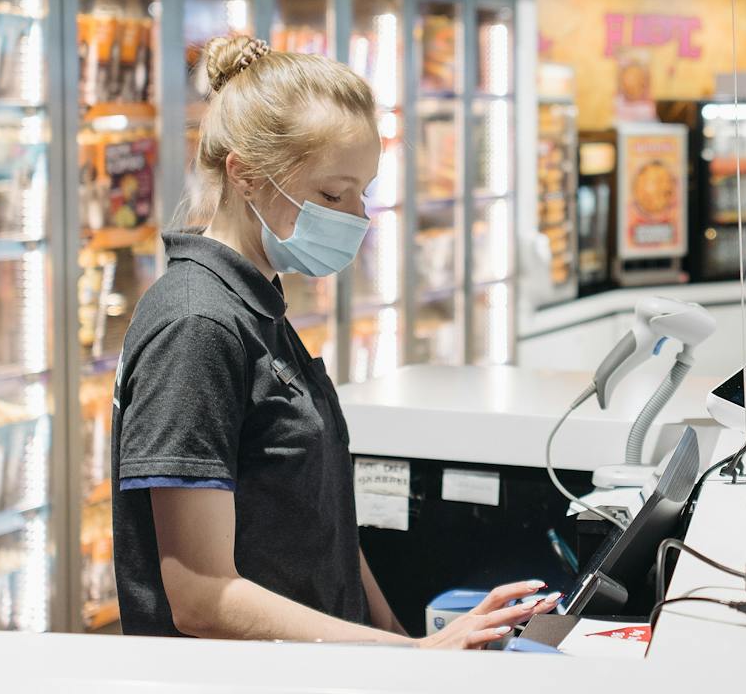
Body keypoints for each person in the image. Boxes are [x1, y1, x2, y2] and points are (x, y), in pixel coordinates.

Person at [110, 35, 557, 646]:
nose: (356, 216)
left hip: (315, 683)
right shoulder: (196, 326)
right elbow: (201, 598)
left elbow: (324, 526)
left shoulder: (256, 306)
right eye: (330, 194)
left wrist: (403, 639)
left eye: (362, 192)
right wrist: (413, 655)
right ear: (243, 174)